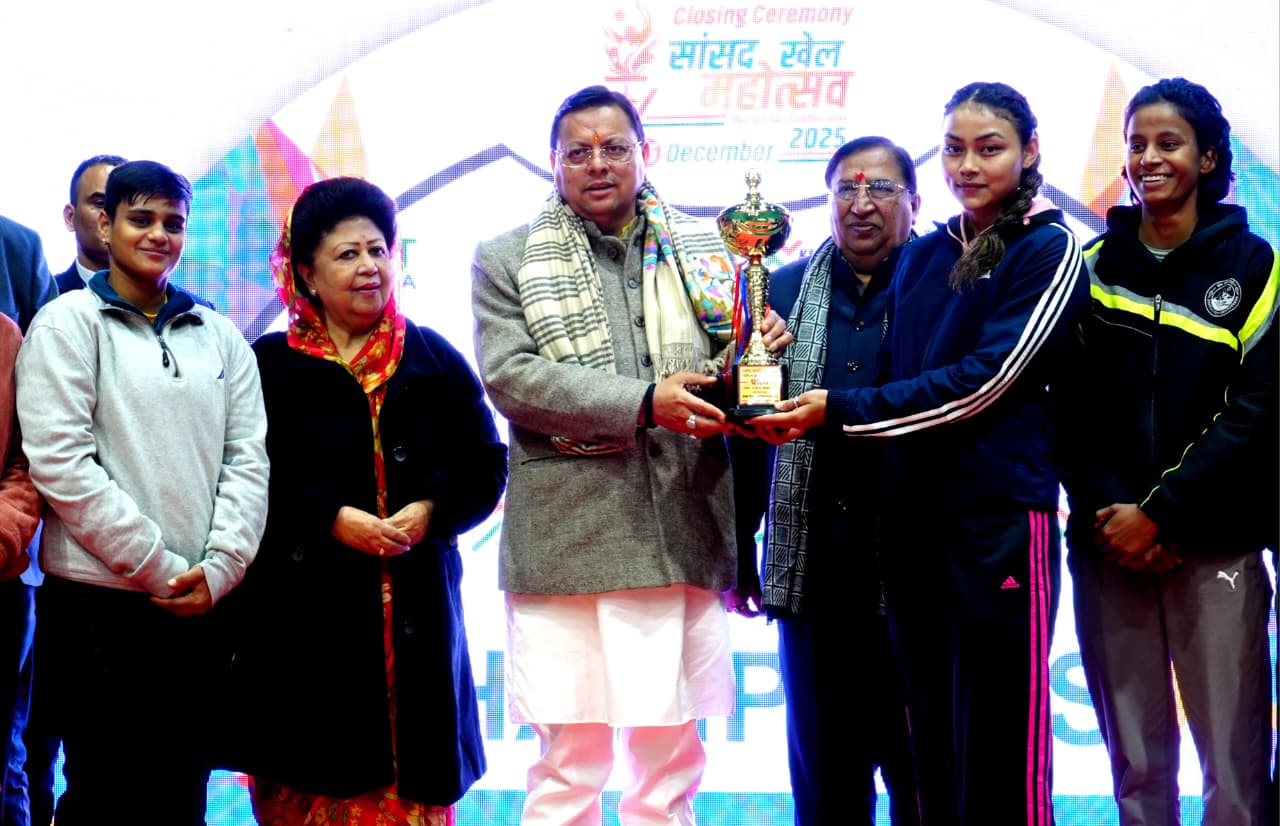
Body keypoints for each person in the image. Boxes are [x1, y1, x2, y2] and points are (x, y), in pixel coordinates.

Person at [752, 82, 1088, 825]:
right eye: (955, 149)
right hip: (910, 531)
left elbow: (983, 383)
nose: (968, 165)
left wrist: (837, 410)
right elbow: (895, 374)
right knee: (929, 743)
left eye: (989, 148)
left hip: (998, 523)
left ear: (1030, 151)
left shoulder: (1050, 247)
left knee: (1000, 741)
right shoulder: (928, 255)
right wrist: (768, 369)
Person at [471, 84, 789, 825]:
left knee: (669, 759)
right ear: (552, 163)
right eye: (578, 152)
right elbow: (513, 377)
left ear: (645, 154)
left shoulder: (708, 253)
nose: (598, 164)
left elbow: (729, 374)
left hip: (679, 526)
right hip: (567, 542)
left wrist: (755, 348)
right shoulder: (507, 258)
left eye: (614, 147)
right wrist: (645, 401)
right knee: (568, 765)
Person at [221, 176, 506, 825]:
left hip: (417, 624)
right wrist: (329, 518)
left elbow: (489, 464)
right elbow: (241, 476)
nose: (369, 266)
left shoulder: (432, 356)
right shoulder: (266, 364)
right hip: (301, 630)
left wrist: (432, 511)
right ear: (306, 273)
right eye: (347, 254)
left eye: (378, 250)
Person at [14, 160, 269, 825]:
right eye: (141, 218)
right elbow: (62, 465)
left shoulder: (218, 334)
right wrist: (160, 567)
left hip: (201, 608)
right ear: (106, 224)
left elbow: (247, 459)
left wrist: (222, 566)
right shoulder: (66, 324)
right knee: (102, 797)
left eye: (173, 223)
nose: (159, 234)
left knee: (183, 798)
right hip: (98, 612)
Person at [1058, 77, 1276, 825]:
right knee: (1137, 769)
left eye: (1168, 143)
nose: (1148, 158)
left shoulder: (1256, 266)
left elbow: (1254, 413)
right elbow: (1069, 411)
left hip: (1215, 544)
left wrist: (1161, 514)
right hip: (1108, 545)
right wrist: (1114, 515)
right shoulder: (1090, 267)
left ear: (1208, 158)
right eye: (1137, 144)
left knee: (1235, 770)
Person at [734, 136, 921, 826]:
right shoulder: (778, 290)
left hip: (915, 570)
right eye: (846, 189)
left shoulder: (942, 288)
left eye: (881, 189)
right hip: (812, 570)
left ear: (914, 201)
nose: (861, 204)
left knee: (922, 776)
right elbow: (749, 427)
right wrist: (741, 545)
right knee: (825, 783)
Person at [0, 215, 57, 826]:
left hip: (4, 569)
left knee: (8, 759)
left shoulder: (8, 336)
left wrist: (4, 527)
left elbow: (35, 444)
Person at [55, 155, 127, 294]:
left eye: (126, 205)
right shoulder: (46, 299)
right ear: (70, 217)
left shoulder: (167, 301)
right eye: (100, 203)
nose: (114, 215)